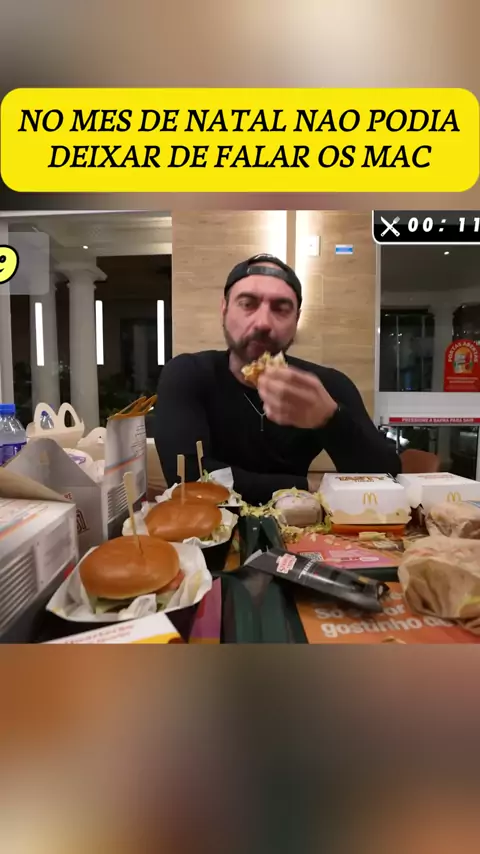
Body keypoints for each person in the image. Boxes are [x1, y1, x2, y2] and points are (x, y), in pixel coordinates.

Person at [154, 253, 400, 506]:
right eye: (247, 304)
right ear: (224, 309)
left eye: (281, 309)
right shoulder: (189, 374)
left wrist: (331, 419)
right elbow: (187, 477)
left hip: (301, 525)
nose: (263, 323)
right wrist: (305, 486)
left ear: (296, 320)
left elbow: (385, 479)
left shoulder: (323, 386)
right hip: (212, 525)